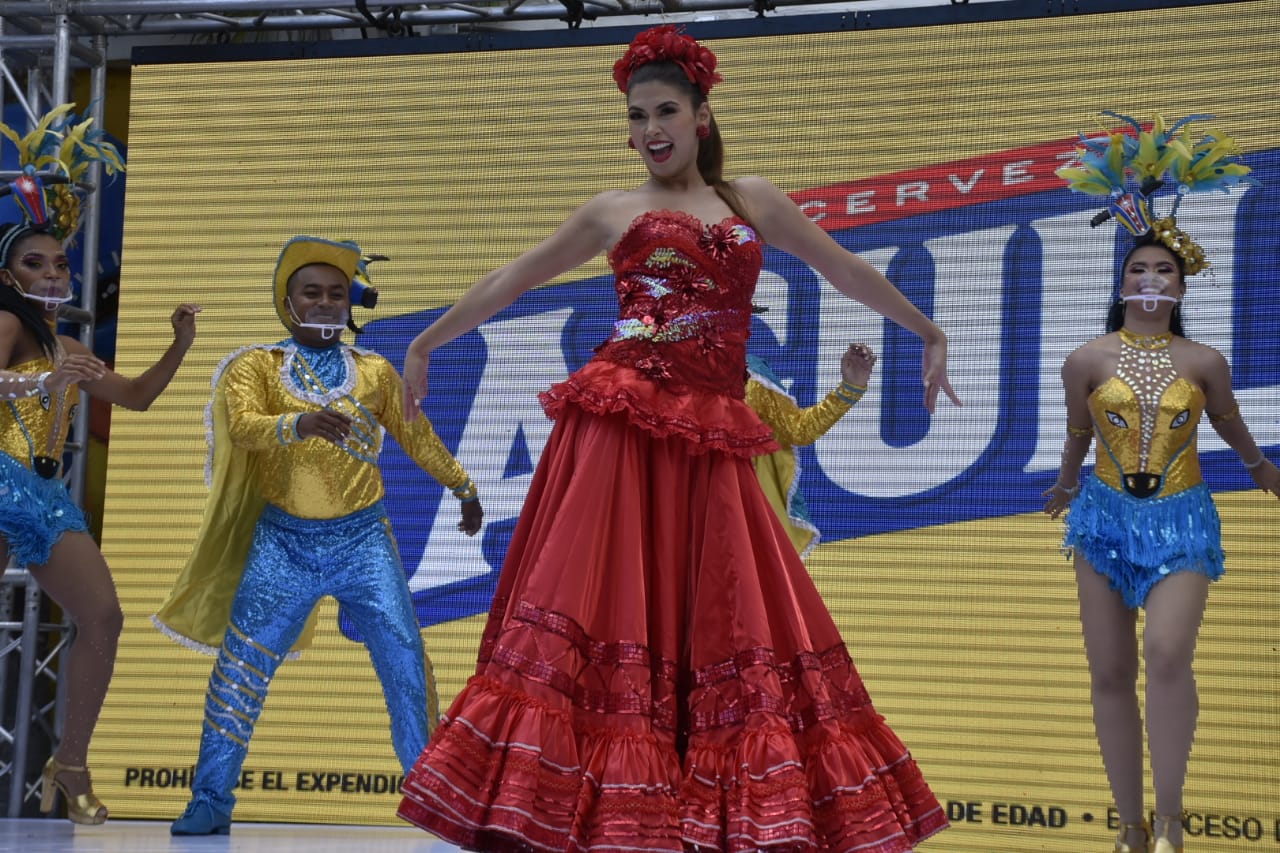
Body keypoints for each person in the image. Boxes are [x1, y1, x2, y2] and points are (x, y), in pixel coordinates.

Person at [395, 26, 957, 851]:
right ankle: (595, 815)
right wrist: (423, 342)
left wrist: (928, 329)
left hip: (712, 440)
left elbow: (843, 266)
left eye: (665, 110)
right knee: (612, 603)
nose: (650, 128)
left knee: (727, 617)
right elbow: (511, 277)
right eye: (636, 116)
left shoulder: (749, 201)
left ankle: (702, 812)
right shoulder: (614, 210)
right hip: (621, 433)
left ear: (701, 115)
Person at [156, 236, 484, 836]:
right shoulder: (257, 366)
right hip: (283, 545)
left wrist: (463, 486)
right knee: (240, 669)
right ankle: (209, 799)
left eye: (337, 294)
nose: (327, 303)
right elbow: (246, 428)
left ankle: (432, 795)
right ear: (288, 301)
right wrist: (299, 422)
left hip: (364, 542)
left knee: (406, 661)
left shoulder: (374, 370)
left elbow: (417, 436)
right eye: (313, 292)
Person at [1046, 114, 1276, 853]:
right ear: (1120, 283)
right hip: (1103, 517)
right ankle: (1133, 826)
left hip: (1181, 515)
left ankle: (1173, 816)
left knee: (1168, 654)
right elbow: (1080, 434)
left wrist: (1261, 467)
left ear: (1183, 282)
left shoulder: (1204, 360)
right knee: (1109, 671)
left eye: (1164, 270)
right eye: (1138, 270)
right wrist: (1063, 484)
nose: (1150, 280)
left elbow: (1232, 423)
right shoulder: (1085, 358)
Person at [1, 106, 197, 825]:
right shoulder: (9, 321)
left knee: (104, 617)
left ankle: (71, 760)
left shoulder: (63, 344)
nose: (51, 272)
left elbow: (138, 398)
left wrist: (178, 345)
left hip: (42, 494)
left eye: (57, 262)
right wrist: (35, 383)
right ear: (6, 270)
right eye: (33, 262)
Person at [746, 342, 874, 559]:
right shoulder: (670, 376)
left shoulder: (750, 377)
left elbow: (798, 430)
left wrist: (849, 389)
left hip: (739, 509)